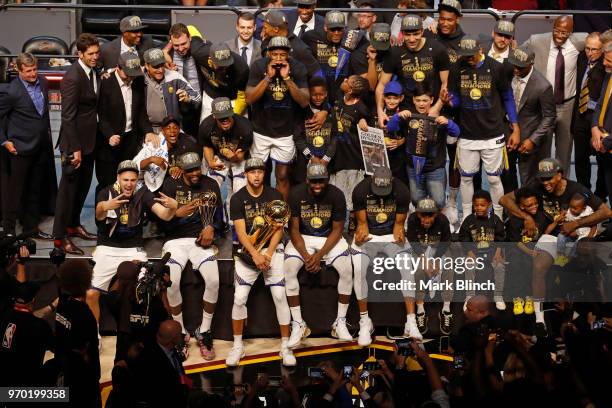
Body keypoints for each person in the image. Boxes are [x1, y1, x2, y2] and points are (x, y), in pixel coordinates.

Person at [499, 158, 610, 335]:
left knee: (588, 254)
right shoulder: (537, 185)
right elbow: (504, 200)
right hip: (551, 235)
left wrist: (577, 224)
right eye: (542, 179)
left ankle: (600, 312)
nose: (545, 183)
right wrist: (526, 217)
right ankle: (539, 318)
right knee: (539, 265)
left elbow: (605, 211)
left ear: (560, 175)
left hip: (575, 235)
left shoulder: (577, 190)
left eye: (549, 178)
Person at [86, 160, 178, 326]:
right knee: (91, 294)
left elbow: (164, 214)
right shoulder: (106, 192)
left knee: (147, 290)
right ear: (118, 179)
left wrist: (173, 207)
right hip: (107, 247)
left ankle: (145, 331)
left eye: (133, 180)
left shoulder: (143, 193)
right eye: (125, 180)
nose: (129, 184)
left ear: (138, 180)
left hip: (133, 249)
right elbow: (100, 214)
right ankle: (95, 335)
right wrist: (107, 205)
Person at [226, 158, 295, 366]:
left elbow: (279, 228)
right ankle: (238, 346)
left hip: (271, 250)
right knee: (239, 298)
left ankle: (286, 345)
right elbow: (240, 232)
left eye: (260, 171)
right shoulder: (237, 198)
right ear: (245, 174)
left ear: (265, 174)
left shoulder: (274, 195)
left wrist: (269, 254)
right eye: (252, 172)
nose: (256, 175)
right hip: (248, 251)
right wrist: (256, 255)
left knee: (280, 295)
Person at [446, 36, 520, 220]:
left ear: (480, 50)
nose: (468, 59)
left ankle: (499, 217)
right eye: (465, 56)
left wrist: (515, 125)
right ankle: (467, 217)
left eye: (471, 55)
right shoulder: (457, 67)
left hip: (492, 132)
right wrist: (449, 101)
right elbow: (455, 100)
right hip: (467, 133)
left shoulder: (496, 67)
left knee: (495, 179)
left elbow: (508, 97)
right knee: (466, 178)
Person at [160, 152, 223, 360]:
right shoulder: (170, 185)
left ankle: (204, 331)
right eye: (189, 170)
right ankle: (181, 332)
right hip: (175, 241)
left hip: (200, 240)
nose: (195, 173)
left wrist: (211, 228)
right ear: (182, 170)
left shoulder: (211, 185)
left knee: (214, 280)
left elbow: (220, 218)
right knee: (173, 283)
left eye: (197, 168)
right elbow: (161, 220)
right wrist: (176, 213)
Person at [284, 163, 353, 348]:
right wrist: (307, 256)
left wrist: (320, 254)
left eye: (321, 181)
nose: (317, 185)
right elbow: (294, 230)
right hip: (303, 238)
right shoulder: (296, 194)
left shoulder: (337, 195)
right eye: (314, 181)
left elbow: (338, 230)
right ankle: (298, 323)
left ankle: (340, 322)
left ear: (327, 179)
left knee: (347, 269)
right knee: (289, 269)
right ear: (307, 180)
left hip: (328, 238)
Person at [351, 167, 411, 346]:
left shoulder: (402, 191)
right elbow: (362, 224)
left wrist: (399, 235)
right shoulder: (360, 190)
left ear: (392, 182)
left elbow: (398, 225)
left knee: (407, 266)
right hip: (370, 233)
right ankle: (364, 321)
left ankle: (411, 321)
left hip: (389, 234)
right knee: (359, 268)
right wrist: (361, 237)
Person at [246, 35, 310, 201]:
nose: (279, 58)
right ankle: (261, 210)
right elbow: (249, 98)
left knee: (282, 175)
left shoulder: (298, 68)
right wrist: (268, 77)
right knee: (259, 174)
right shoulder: (258, 66)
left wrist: (287, 78)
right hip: (260, 130)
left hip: (286, 131)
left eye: (283, 55)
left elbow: (304, 101)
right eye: (275, 55)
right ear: (268, 53)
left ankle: (281, 215)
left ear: (289, 54)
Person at [53, 33, 101, 255]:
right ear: (80, 54)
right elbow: (67, 117)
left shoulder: (92, 72)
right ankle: (59, 238)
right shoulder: (72, 77)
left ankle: (73, 225)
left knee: (81, 190)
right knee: (67, 193)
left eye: (96, 53)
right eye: (90, 54)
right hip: (75, 146)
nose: (95, 57)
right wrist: (75, 149)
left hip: (90, 142)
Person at [522, 16, 587, 174]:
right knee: (542, 149)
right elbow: (518, 53)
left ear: (571, 33)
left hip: (568, 105)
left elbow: (601, 40)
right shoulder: (537, 40)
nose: (559, 35)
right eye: (556, 30)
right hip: (545, 106)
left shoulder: (579, 41)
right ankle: (543, 187)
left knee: (564, 151)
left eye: (564, 32)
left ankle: (563, 188)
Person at [0, 53, 54, 239]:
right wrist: (5, 141)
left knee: (34, 190)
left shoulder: (44, 82)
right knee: (14, 193)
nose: (33, 74)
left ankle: (31, 229)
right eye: (28, 71)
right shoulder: (11, 91)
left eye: (34, 70)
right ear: (19, 70)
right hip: (19, 148)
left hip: (40, 147)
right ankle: (8, 231)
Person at [386, 81, 459, 209]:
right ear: (413, 100)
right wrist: (397, 117)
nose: (421, 103)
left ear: (431, 100)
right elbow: (390, 128)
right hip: (413, 168)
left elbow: (456, 132)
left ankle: (441, 225)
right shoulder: (407, 115)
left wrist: (448, 123)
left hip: (435, 168)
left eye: (425, 100)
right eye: (418, 100)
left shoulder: (440, 116)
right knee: (416, 200)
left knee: (439, 202)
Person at [376, 14, 450, 127]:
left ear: (422, 31)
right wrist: (380, 112)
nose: (411, 39)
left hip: (432, 109)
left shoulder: (437, 49)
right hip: (406, 112)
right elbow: (382, 85)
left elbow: (445, 83)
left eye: (416, 34)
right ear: (402, 33)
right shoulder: (395, 53)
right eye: (407, 34)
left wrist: (436, 107)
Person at [96, 51, 151, 194]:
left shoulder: (137, 81)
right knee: (106, 185)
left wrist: (149, 131)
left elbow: (141, 112)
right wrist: (109, 135)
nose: (130, 78)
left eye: (133, 74)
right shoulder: (105, 83)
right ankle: (102, 216)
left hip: (130, 142)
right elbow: (101, 116)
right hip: (108, 145)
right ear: (118, 68)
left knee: (127, 185)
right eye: (127, 74)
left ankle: (125, 216)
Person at [55, 259, 101, 408]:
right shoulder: (85, 315)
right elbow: (87, 350)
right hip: (83, 378)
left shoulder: (62, 304)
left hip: (63, 369)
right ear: (87, 283)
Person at [508, 46, 556, 185]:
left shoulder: (543, 85)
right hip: (508, 135)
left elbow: (549, 117)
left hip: (529, 139)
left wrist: (532, 140)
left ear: (531, 64)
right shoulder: (509, 74)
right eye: (514, 65)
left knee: (528, 180)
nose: (516, 70)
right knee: (507, 177)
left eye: (520, 67)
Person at [406, 198, 453, 337]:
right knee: (418, 270)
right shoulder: (413, 219)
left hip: (439, 249)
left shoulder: (443, 220)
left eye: (430, 215)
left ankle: (446, 309)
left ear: (436, 214)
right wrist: (424, 260)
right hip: (419, 250)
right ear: (417, 214)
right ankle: (420, 310)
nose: (426, 219)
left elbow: (446, 241)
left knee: (449, 268)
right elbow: (413, 241)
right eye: (423, 215)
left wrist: (437, 259)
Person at [329, 75, 370, 228]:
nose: (345, 79)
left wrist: (363, 121)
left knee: (353, 195)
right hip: (337, 156)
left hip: (353, 158)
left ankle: (354, 225)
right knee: (339, 194)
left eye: (349, 81)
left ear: (351, 90)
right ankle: (341, 225)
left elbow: (368, 126)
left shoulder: (361, 108)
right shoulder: (339, 99)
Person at [200, 97, 252, 216]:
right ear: (214, 116)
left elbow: (240, 156)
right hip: (219, 156)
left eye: (227, 116)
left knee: (238, 192)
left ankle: (234, 223)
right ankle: (216, 222)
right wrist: (211, 163)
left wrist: (232, 156)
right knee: (210, 189)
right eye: (221, 117)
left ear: (232, 113)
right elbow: (207, 146)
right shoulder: (206, 125)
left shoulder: (245, 127)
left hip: (239, 159)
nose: (225, 120)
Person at [458, 190, 506, 311]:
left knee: (500, 266)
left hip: (492, 252)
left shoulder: (495, 220)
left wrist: (498, 253)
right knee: (469, 266)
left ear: (489, 204)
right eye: (476, 205)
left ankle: (498, 295)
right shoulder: (469, 220)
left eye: (482, 205)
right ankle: (469, 296)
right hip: (474, 253)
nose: (479, 208)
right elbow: (463, 237)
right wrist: (469, 253)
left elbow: (501, 236)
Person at [504, 187, 549, 315]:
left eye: (536, 203)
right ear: (522, 207)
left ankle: (529, 297)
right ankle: (517, 297)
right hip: (519, 249)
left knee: (533, 266)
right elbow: (516, 241)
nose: (534, 206)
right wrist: (530, 252)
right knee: (517, 264)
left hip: (536, 249)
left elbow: (545, 233)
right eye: (530, 205)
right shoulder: (515, 220)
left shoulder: (541, 216)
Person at [0, 281, 54, 386]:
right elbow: (56, 349)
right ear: (33, 300)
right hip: (27, 389)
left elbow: (29, 316)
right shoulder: (40, 326)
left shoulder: (3, 316)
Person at [573, 32, 606, 198]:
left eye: (595, 49)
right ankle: (584, 195)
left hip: (599, 120)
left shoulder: (606, 65)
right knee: (580, 160)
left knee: (602, 162)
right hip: (580, 116)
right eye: (587, 48)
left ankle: (600, 197)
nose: (590, 52)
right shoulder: (581, 58)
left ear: (602, 49)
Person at [163, 23, 209, 135]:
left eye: (184, 44)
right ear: (171, 42)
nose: (180, 48)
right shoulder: (167, 54)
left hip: (199, 105)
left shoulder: (200, 51)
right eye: (176, 45)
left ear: (190, 38)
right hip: (176, 108)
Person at [133, 115, 200, 192]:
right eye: (168, 128)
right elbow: (135, 165)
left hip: (174, 185)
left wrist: (182, 169)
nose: (172, 131)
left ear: (179, 130)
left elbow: (195, 167)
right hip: (151, 186)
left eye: (175, 128)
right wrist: (151, 159)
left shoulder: (187, 144)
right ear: (163, 131)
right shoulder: (155, 145)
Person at [142, 48, 201, 133]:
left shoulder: (174, 77)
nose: (160, 70)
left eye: (162, 65)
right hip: (149, 130)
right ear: (147, 66)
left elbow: (197, 98)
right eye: (156, 66)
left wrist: (188, 98)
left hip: (173, 129)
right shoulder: (139, 80)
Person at [132, 320, 189, 408]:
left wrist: (189, 385)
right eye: (180, 335)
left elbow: (179, 374)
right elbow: (161, 393)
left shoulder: (170, 349)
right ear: (173, 339)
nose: (183, 337)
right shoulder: (150, 361)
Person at [293, 77, 337, 183]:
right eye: (314, 94)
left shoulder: (331, 113)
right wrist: (311, 157)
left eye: (321, 94)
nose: (318, 98)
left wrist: (326, 159)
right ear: (308, 94)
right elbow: (297, 137)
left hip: (326, 161)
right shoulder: (302, 111)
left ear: (326, 94)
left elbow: (335, 137)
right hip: (305, 162)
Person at [191, 42, 250, 121]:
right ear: (210, 60)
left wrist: (232, 117)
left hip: (232, 100)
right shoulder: (199, 53)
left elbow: (242, 98)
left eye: (227, 64)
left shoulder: (241, 68)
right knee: (207, 127)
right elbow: (189, 33)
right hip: (209, 97)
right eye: (221, 66)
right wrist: (167, 51)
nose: (224, 69)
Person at [302, 10, 350, 105]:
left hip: (342, 89)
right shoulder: (310, 37)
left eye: (339, 29)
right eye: (332, 29)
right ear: (325, 27)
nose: (336, 33)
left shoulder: (350, 38)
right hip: (320, 89)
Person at [260, 10, 322, 79]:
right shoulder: (266, 41)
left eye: (265, 28)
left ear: (276, 29)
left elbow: (317, 73)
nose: (264, 30)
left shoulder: (300, 49)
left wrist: (314, 87)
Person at [592, 41, 612, 198]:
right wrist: (594, 128)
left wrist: (607, 142)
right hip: (603, 142)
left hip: (608, 143)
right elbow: (599, 104)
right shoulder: (608, 77)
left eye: (609, 61)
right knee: (606, 182)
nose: (604, 63)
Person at [553, 192, 597, 263]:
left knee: (577, 245)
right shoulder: (569, 212)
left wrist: (589, 237)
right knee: (560, 236)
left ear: (584, 208)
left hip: (584, 235)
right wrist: (564, 227)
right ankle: (560, 255)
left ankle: (571, 259)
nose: (572, 209)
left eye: (575, 208)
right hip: (572, 233)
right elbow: (566, 223)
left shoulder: (588, 212)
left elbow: (594, 225)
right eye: (571, 207)